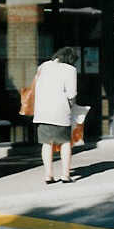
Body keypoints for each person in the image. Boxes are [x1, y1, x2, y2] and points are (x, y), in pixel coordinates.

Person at [33, 46, 79, 184]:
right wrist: (72, 104)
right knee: (65, 143)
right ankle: (65, 175)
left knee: (47, 144)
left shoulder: (43, 66)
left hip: (42, 111)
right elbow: (72, 93)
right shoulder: (70, 70)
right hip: (60, 111)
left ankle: (48, 175)